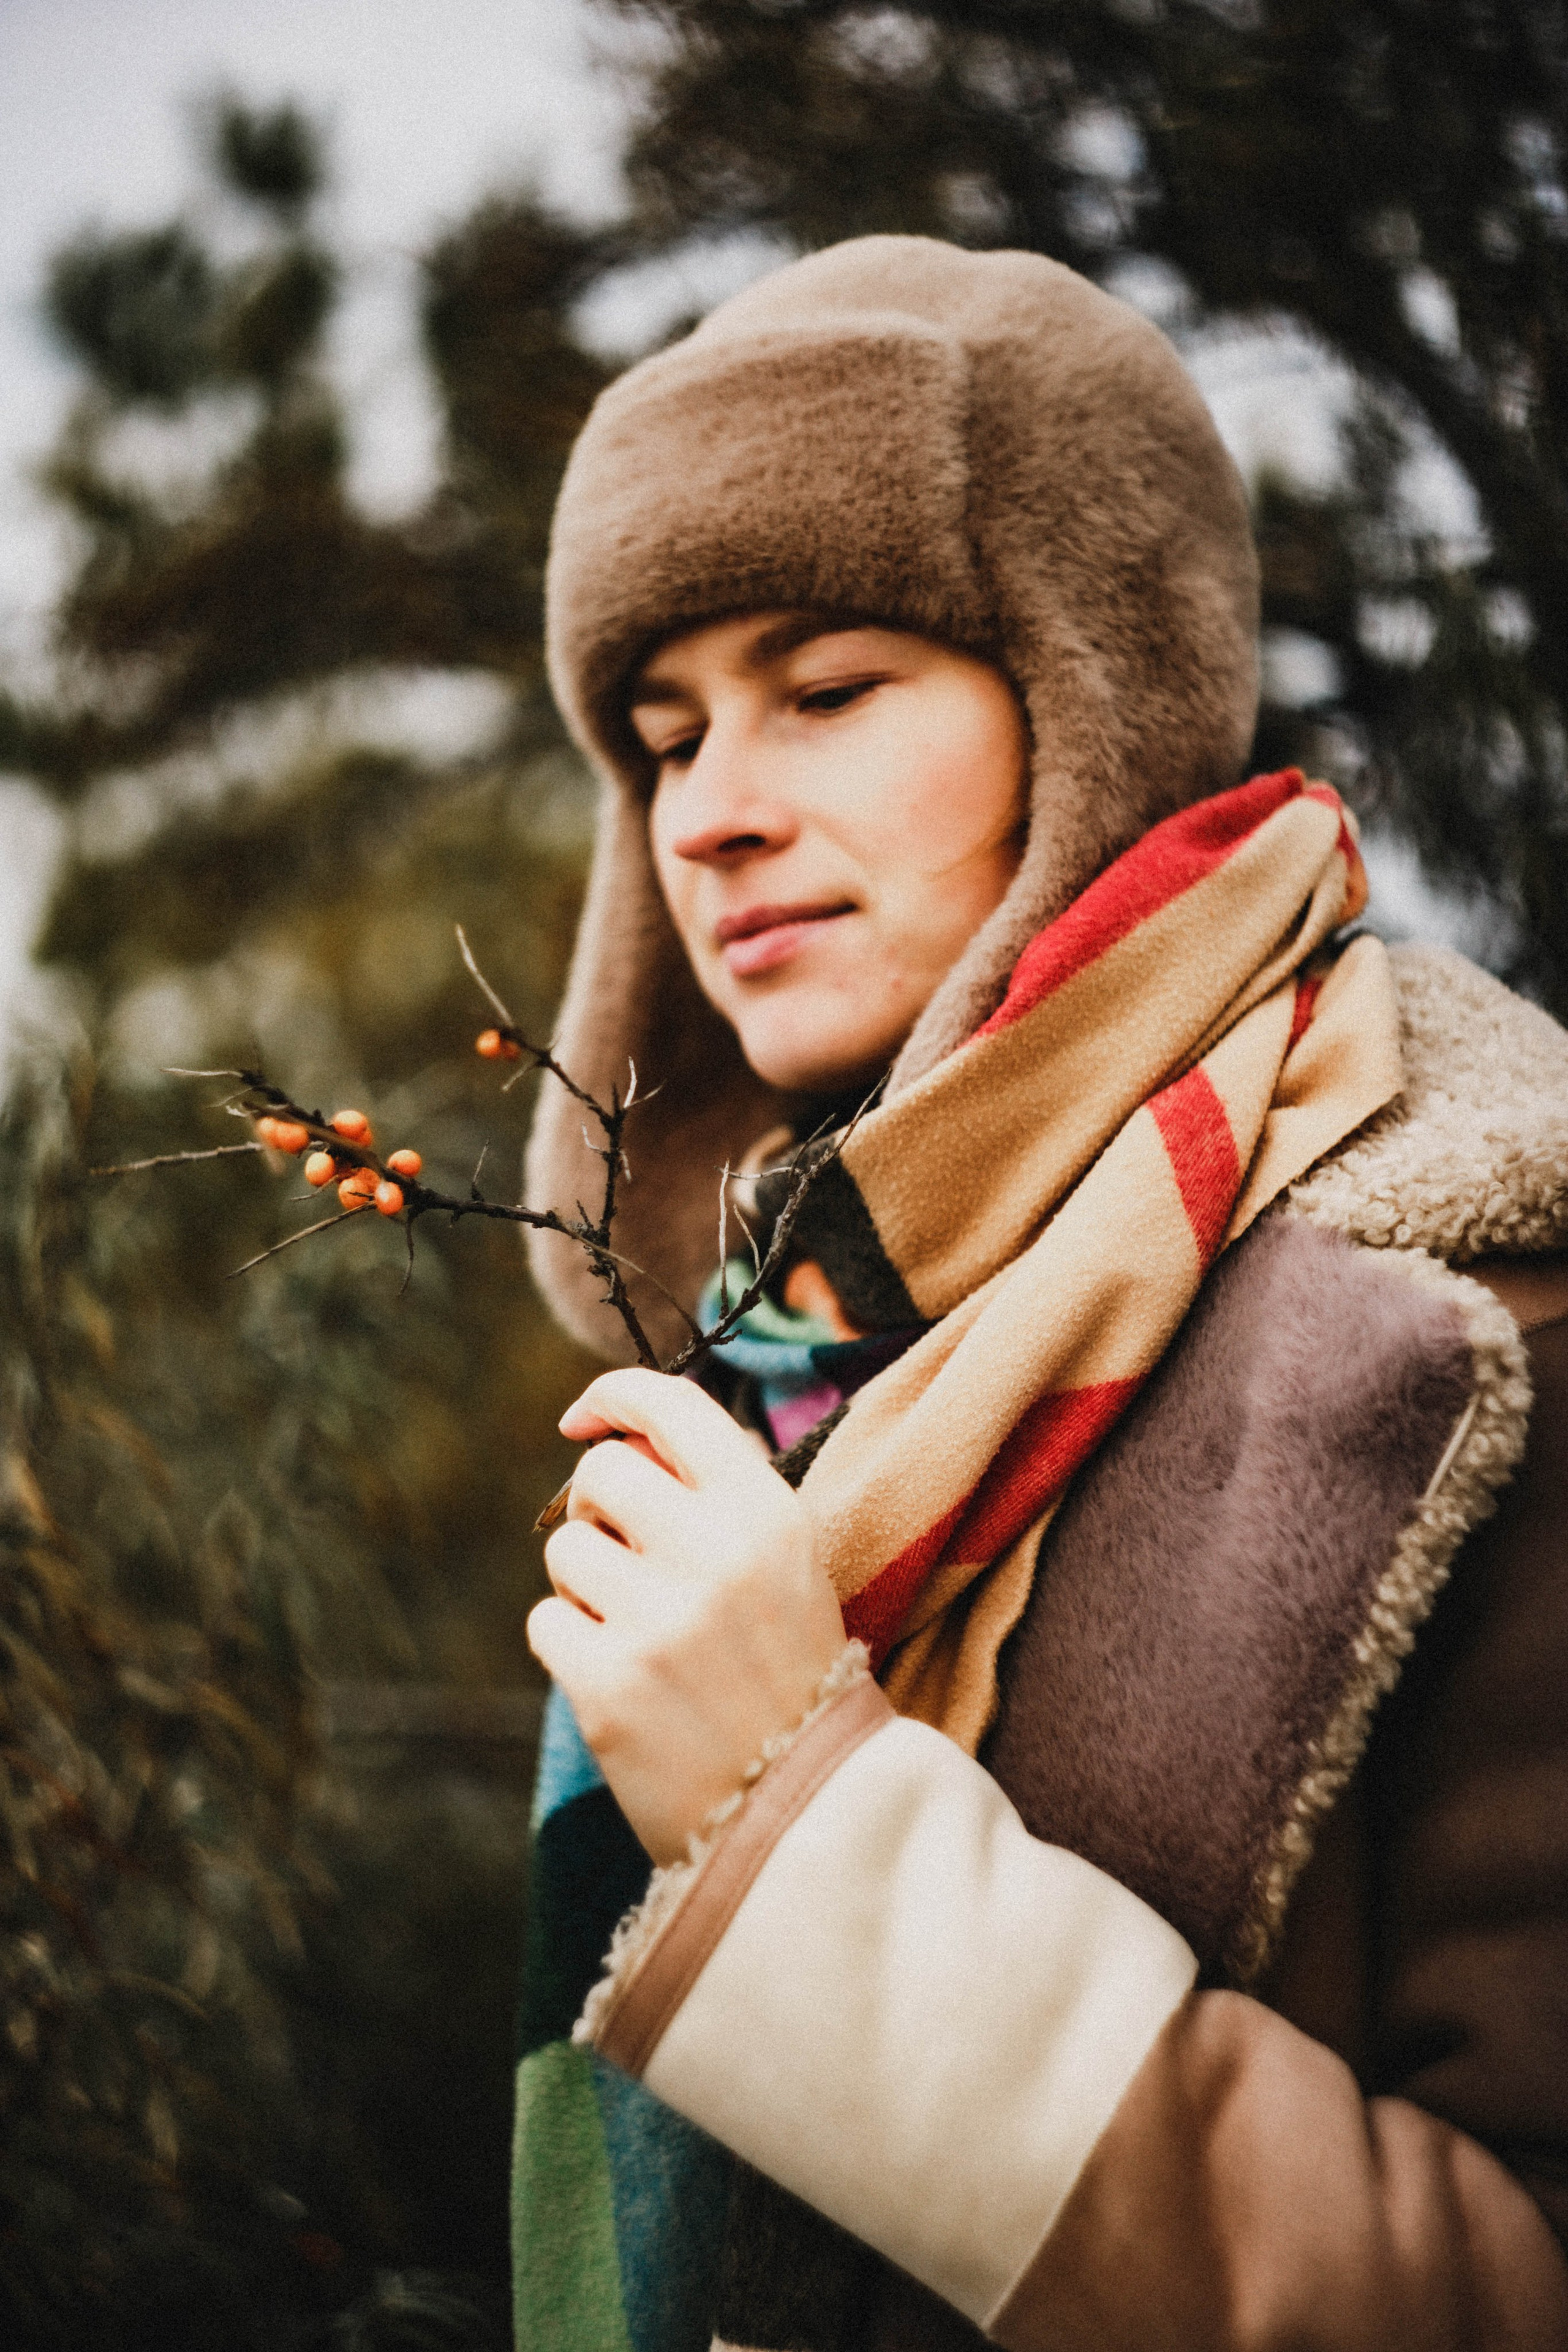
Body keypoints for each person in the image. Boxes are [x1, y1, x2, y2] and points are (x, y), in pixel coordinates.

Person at [511, 236, 1568, 2351]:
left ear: (1089, 697)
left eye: (825, 689)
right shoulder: (790, 1368)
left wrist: (795, 1833)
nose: (710, 814)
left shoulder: (1476, 1313)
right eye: (660, 734)